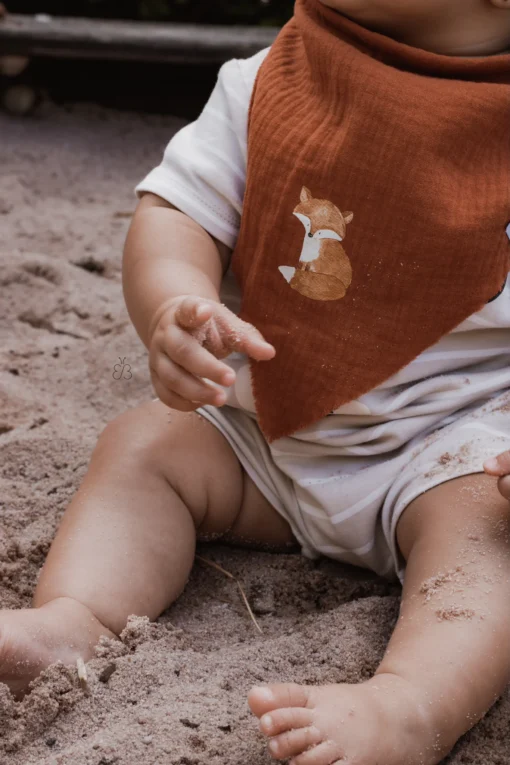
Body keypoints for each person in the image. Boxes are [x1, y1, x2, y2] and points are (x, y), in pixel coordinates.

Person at [2, 1, 510, 763]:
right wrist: (176, 301)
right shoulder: (274, 78)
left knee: (490, 543)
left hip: (450, 446)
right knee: (145, 446)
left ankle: (410, 705)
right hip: (268, 430)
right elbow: (178, 211)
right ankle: (75, 620)